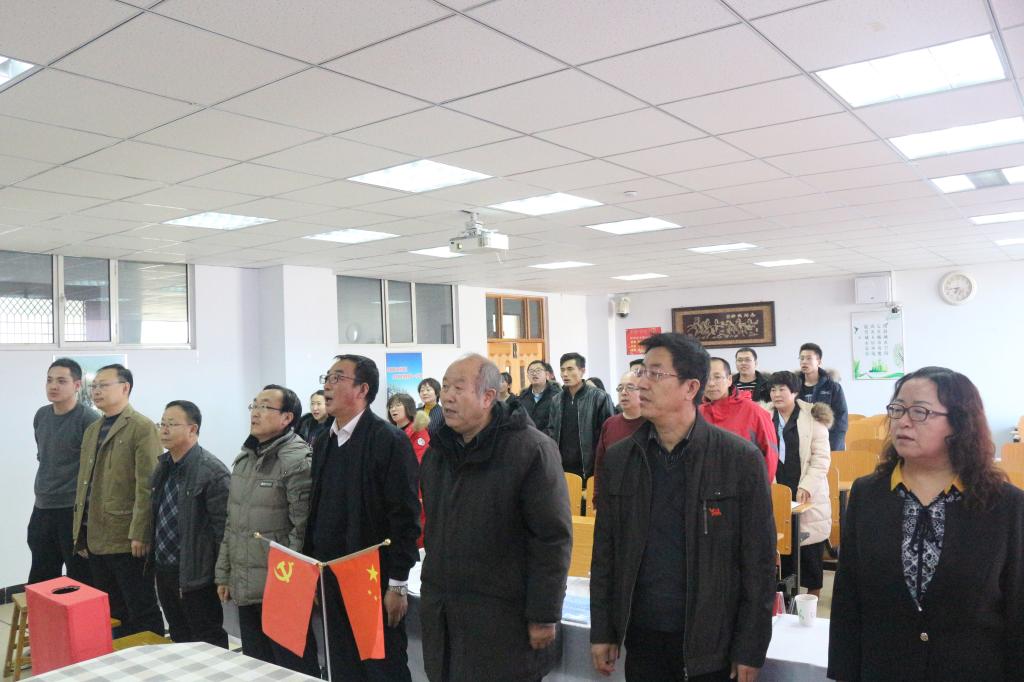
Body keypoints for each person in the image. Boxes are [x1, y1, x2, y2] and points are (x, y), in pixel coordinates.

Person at [590, 333, 776, 682]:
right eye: (641, 372)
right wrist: (602, 629)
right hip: (643, 635)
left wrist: (751, 646)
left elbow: (759, 562)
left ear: (691, 388)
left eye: (655, 374)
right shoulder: (621, 458)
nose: (641, 383)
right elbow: (606, 553)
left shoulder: (738, 459)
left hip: (712, 642)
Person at [828, 366, 1024, 682]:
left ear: (959, 423)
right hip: (885, 668)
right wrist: (844, 673)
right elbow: (847, 595)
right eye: (897, 409)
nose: (902, 422)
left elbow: (1017, 607)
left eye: (920, 412)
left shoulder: (1005, 504)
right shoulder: (867, 494)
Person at [420, 354, 572, 682]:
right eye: (445, 387)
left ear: (488, 396)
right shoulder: (438, 453)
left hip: (504, 621)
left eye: (458, 388)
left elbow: (551, 538)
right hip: (446, 618)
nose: (447, 397)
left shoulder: (530, 449)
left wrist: (544, 614)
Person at [303, 355, 421, 680]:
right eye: (327, 378)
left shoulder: (388, 440)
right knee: (342, 665)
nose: (327, 386)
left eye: (337, 378)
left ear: (362, 389)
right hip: (330, 574)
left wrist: (397, 583)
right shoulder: (324, 440)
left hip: (371, 578)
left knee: (381, 668)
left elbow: (405, 516)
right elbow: (317, 510)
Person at [215, 384, 315, 673]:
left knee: (292, 669)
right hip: (246, 583)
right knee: (257, 666)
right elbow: (233, 523)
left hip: (281, 585)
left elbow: (303, 528)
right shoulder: (245, 458)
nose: (255, 413)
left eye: (265, 407)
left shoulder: (297, 460)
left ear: (287, 418)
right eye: (254, 405)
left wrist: (292, 583)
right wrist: (225, 573)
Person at [72, 364, 164, 637]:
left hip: (127, 537)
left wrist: (141, 532)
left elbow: (148, 485)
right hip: (95, 534)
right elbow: (85, 484)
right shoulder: (93, 429)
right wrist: (80, 532)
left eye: (103, 385)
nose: (96, 391)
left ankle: (151, 656)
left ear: (125, 388)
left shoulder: (142, 427)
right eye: (94, 386)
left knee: (141, 607)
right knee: (113, 610)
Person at [151, 400, 230, 647]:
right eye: (162, 423)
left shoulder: (212, 471)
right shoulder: (164, 465)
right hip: (165, 568)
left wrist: (222, 575)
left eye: (171, 424)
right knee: (179, 634)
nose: (164, 429)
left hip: (196, 573)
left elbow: (223, 530)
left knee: (207, 637)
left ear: (192, 429)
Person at [29, 358, 100, 586]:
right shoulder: (41, 415)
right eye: (49, 380)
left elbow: (95, 471)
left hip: (73, 510)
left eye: (61, 381)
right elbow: (44, 456)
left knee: (80, 578)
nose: (53, 386)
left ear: (77, 385)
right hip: (43, 506)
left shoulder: (89, 419)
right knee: (41, 578)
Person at [767, 371, 832, 597]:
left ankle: (811, 600)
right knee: (783, 547)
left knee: (810, 550)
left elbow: (821, 458)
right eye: (773, 389)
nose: (776, 394)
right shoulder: (765, 416)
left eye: (781, 389)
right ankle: (786, 600)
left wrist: (807, 485)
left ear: (794, 392)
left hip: (806, 488)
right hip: (778, 489)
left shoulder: (813, 416)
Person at [699, 357, 779, 483]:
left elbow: (770, 454)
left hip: (745, 488)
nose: (711, 383)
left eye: (717, 377)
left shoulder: (754, 412)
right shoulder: (696, 414)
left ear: (729, 380)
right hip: (705, 489)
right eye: (706, 378)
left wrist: (760, 488)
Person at [550, 352, 615, 485]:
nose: (565, 374)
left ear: (582, 371)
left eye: (570, 369)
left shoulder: (599, 397)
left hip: (589, 467)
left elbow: (608, 435)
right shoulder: (556, 400)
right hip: (562, 467)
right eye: (562, 370)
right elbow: (551, 431)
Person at [591, 371, 646, 506]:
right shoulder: (610, 424)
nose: (624, 392)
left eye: (630, 387)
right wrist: (597, 497)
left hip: (643, 499)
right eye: (620, 388)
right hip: (613, 497)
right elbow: (600, 464)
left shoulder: (653, 424)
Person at [387, 392, 430, 548]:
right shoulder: (390, 432)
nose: (393, 409)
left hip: (414, 492)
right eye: (391, 406)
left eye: (398, 405)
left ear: (409, 408)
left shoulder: (418, 432)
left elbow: (418, 464)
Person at [798, 343, 848, 451]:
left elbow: (841, 420)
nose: (804, 362)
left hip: (827, 443)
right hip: (801, 444)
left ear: (819, 361)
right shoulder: (794, 387)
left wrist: (832, 447)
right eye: (801, 358)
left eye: (809, 358)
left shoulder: (833, 387)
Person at [519, 359, 560, 438]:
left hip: (549, 441)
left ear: (546, 374)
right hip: (527, 440)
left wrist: (539, 438)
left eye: (538, 370)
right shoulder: (522, 397)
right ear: (527, 375)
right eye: (531, 371)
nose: (534, 373)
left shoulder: (557, 395)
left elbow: (557, 424)